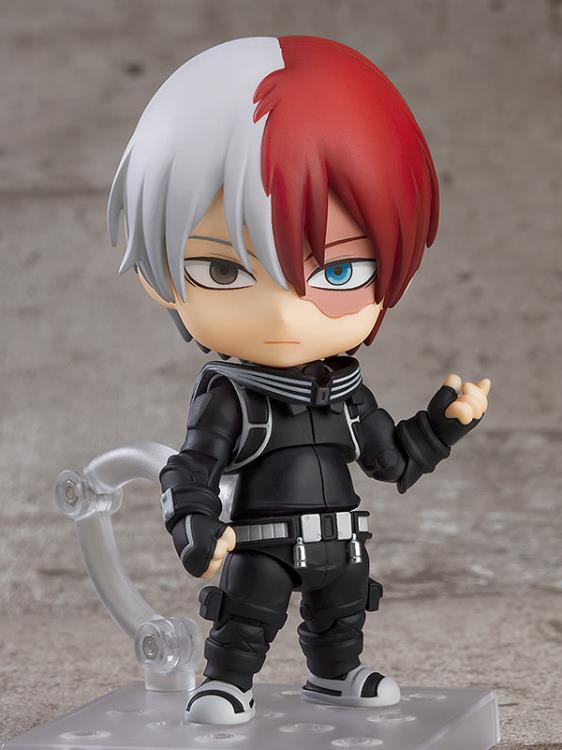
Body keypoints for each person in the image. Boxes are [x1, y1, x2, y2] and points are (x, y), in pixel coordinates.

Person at [108, 36, 491, 725]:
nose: (286, 312)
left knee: (342, 612)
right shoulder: (232, 394)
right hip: (260, 541)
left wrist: (443, 425)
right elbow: (192, 466)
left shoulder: (347, 392)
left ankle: (334, 674)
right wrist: (196, 526)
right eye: (223, 270)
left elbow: (390, 458)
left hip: (340, 538)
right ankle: (228, 683)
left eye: (337, 270)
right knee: (246, 618)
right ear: (159, 274)